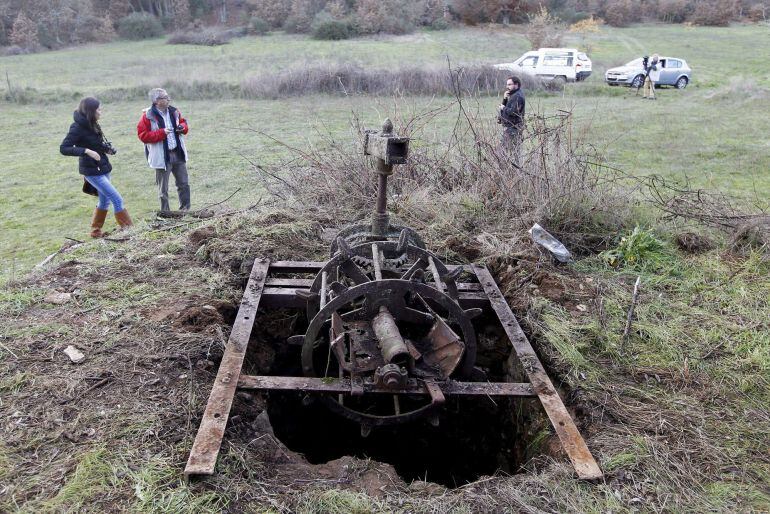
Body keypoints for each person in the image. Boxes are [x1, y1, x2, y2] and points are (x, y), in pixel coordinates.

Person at [60, 97, 132, 238]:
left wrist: (106, 149)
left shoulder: (92, 123)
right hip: (92, 171)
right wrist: (86, 151)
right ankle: (129, 230)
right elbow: (64, 148)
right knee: (117, 199)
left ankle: (95, 232)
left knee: (104, 200)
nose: (101, 111)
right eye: (98, 109)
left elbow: (95, 143)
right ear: (90, 111)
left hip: (103, 167)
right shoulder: (77, 127)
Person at [137, 88, 191, 212]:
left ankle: (185, 210)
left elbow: (184, 123)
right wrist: (161, 133)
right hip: (162, 157)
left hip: (178, 154)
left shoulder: (174, 111)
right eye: (165, 97)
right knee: (163, 189)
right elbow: (143, 136)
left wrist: (182, 127)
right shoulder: (147, 116)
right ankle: (166, 213)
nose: (169, 99)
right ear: (157, 101)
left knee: (184, 184)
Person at [499, 76, 526, 161]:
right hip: (511, 127)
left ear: (516, 84)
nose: (508, 87)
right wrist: (505, 99)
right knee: (512, 151)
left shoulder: (517, 96)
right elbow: (506, 108)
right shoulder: (513, 95)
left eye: (510, 84)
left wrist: (503, 108)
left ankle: (513, 171)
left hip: (514, 128)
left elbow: (513, 112)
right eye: (507, 85)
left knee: (506, 151)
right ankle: (512, 171)